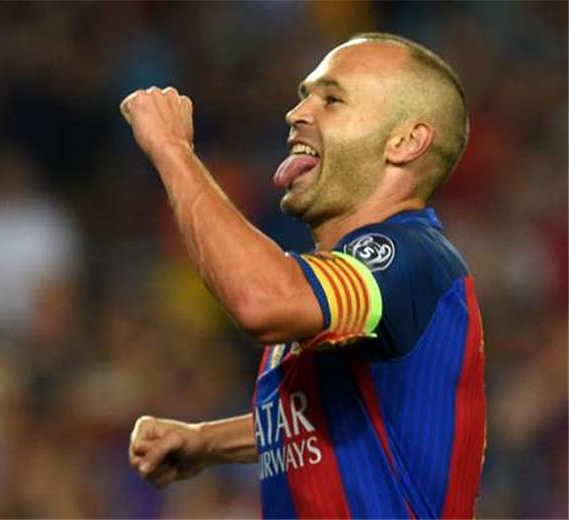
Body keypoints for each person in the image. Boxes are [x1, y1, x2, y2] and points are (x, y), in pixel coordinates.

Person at [121, 32, 485, 519]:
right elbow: (338, 417)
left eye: (332, 99)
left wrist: (173, 150)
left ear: (405, 142)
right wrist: (206, 441)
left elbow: (262, 302)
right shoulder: (338, 286)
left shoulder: (407, 255)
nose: (296, 113)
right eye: (304, 96)